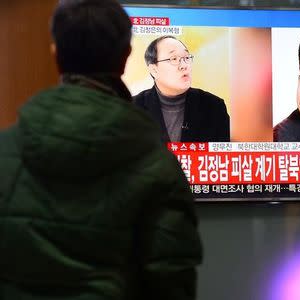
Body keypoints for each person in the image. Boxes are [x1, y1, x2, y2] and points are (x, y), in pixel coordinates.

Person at [0, 1, 202, 299]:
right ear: (125, 58)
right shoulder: (160, 166)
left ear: (56, 54)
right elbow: (172, 280)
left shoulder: (6, 152)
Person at [133, 35, 230, 143]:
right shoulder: (132, 108)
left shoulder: (214, 106)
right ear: (154, 70)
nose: (184, 65)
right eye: (174, 59)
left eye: (187, 57)